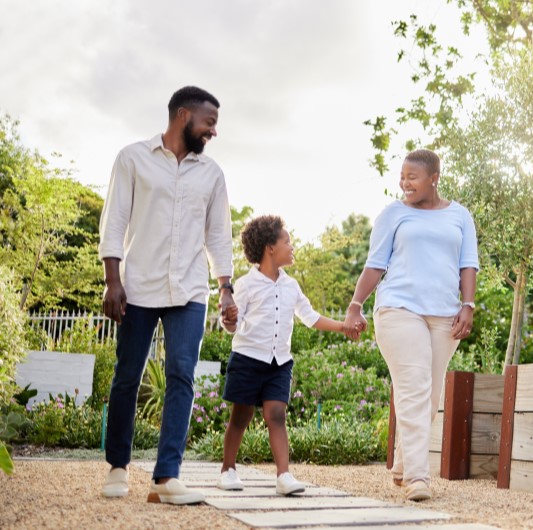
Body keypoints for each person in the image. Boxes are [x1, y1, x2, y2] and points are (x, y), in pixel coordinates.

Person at [98, 86, 235, 505]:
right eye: (208, 122)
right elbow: (115, 217)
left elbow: (218, 235)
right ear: (182, 116)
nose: (213, 131)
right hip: (138, 285)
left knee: (181, 375)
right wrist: (112, 279)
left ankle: (166, 477)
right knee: (127, 377)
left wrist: (226, 289)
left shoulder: (211, 174)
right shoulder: (133, 157)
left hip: (190, 288)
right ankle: (118, 466)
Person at [344, 149, 479, 501]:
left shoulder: (460, 215)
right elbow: (375, 265)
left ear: (434, 178)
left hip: (445, 313)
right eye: (402, 176)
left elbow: (468, 265)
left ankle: (403, 463)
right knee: (415, 387)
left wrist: (468, 305)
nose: (404, 183)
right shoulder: (393, 214)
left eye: (412, 177)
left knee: (429, 394)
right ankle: (419, 477)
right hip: (398, 308)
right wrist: (355, 305)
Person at [215, 214, 361, 494]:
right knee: (241, 416)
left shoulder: (291, 285)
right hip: (247, 358)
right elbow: (232, 325)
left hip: (279, 362)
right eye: (287, 241)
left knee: (277, 414)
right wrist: (228, 318)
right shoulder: (246, 284)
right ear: (270, 247)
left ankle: (284, 476)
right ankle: (228, 469)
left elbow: (310, 317)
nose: (292, 247)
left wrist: (343, 327)